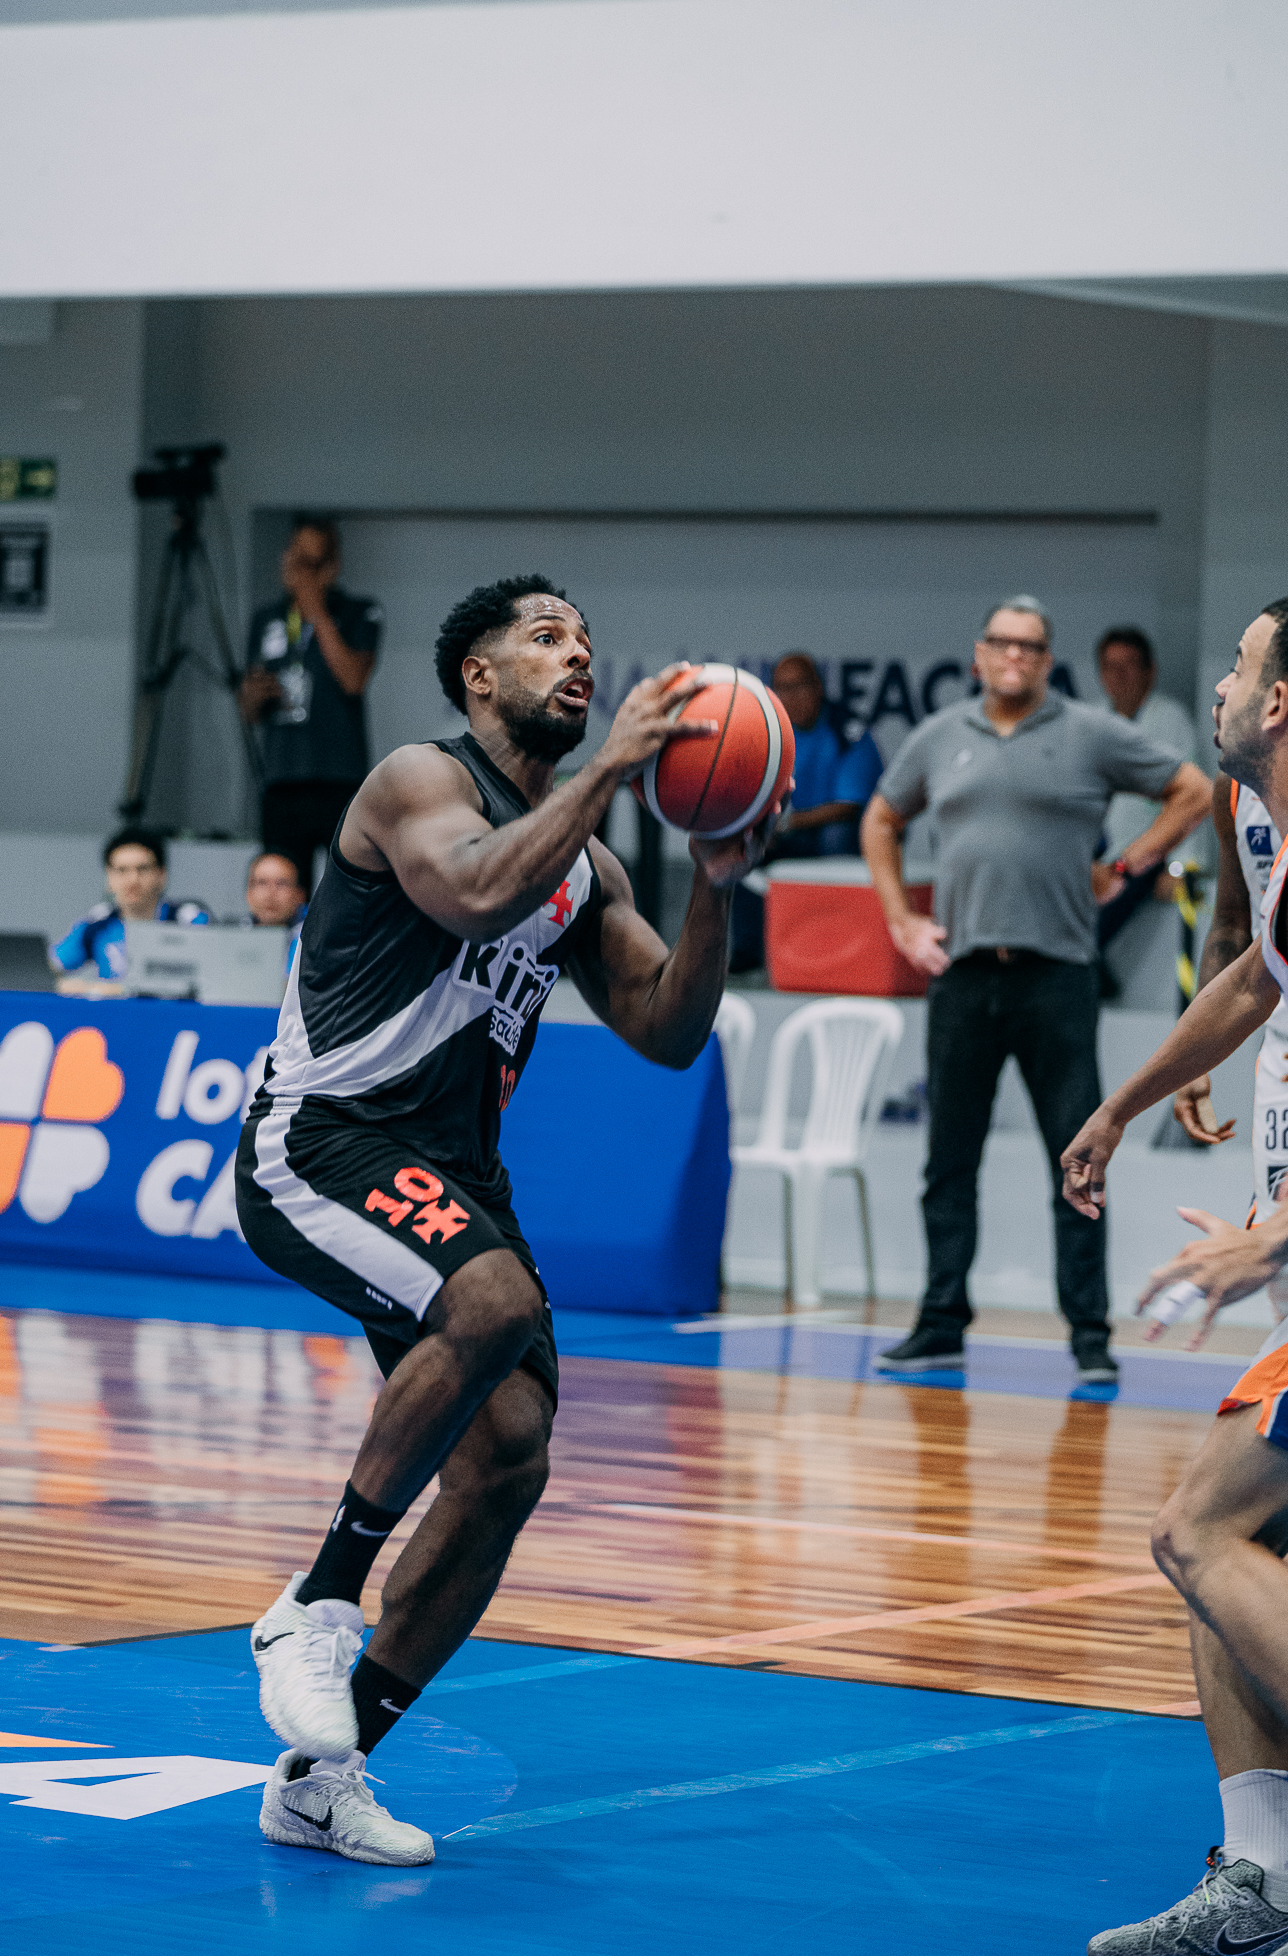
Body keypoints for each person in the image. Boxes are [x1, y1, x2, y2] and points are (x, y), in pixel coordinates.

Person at [235, 572, 765, 1866]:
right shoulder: (416, 781)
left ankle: (322, 1777)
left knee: (509, 1459)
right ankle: (316, 1601)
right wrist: (616, 769)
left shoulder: (585, 865)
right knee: (494, 1299)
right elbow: (471, 891)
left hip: (453, 1173)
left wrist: (715, 877)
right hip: (325, 1137)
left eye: (585, 638)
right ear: (478, 676)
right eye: (544, 637)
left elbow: (668, 1027)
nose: (576, 655)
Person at [1060, 591, 1288, 1956]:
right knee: (1221, 1527)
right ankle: (1264, 1875)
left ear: (1281, 703)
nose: (1224, 687)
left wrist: (1272, 1239)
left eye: (1241, 668)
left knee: (1202, 1527)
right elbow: (1254, 981)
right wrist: (1121, 1105)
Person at [861, 596, 1211, 1382]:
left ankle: (1089, 1336)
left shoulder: (1088, 732)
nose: (1015, 655)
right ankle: (939, 1322)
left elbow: (1191, 789)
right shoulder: (940, 736)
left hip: (1057, 976)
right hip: (963, 976)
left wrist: (1124, 866)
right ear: (979, 655)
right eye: (1002, 643)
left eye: (1031, 646)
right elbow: (879, 820)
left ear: (1047, 661)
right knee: (948, 1161)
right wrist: (900, 920)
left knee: (1079, 1160)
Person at [1171, 773, 1288, 1636]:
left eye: (1232, 700)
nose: (1217, 706)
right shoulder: (1239, 789)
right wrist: (1189, 1058)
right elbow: (1235, 932)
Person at [238, 518, 382, 898]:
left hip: (339, 775)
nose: (300, 573)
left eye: (312, 564)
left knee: (346, 885)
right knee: (283, 883)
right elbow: (249, 713)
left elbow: (353, 680)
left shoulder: (360, 612)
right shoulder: (266, 618)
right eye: (295, 560)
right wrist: (253, 694)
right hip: (283, 775)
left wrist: (316, 611)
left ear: (332, 567)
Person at [729, 653, 884, 973]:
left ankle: (838, 944)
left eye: (799, 686)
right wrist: (764, 827)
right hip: (789, 832)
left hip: (842, 836)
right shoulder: (769, 731)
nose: (791, 697)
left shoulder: (847, 730)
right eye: (783, 689)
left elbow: (849, 807)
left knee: (835, 837)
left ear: (818, 688)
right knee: (740, 846)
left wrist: (785, 823)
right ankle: (748, 955)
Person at [1094, 625, 1199, 957]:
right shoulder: (1091, 721)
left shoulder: (1170, 720)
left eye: (1128, 665)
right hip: (1095, 853)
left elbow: (1195, 797)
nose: (1119, 676)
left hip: (1144, 855)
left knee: (1091, 935)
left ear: (1149, 671)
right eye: (1111, 666)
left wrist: (1181, 866)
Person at [49, 828, 209, 980]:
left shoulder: (189, 922)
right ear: (109, 878)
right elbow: (48, 968)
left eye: (143, 869)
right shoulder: (96, 925)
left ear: (161, 875)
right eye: (122, 870)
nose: (133, 880)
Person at [243, 849, 308, 975]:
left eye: (282, 884)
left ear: (300, 895)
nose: (270, 894)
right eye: (262, 883)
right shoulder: (231, 938)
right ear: (248, 893)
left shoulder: (315, 942)